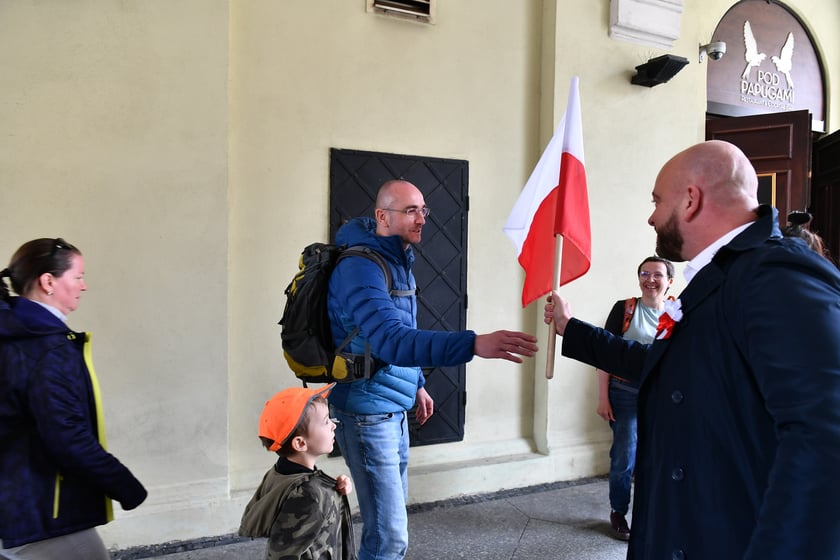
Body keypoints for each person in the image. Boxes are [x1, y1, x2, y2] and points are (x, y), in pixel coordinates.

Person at [544, 140, 840, 559]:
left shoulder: (774, 274)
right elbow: (667, 367)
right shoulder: (722, 276)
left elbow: (826, 435)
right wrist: (571, 329)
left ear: (690, 199)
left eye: (657, 200)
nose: (651, 215)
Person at [326, 179, 539, 560]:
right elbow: (393, 340)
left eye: (423, 209)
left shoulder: (396, 259)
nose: (422, 218)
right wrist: (474, 343)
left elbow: (397, 331)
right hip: (366, 415)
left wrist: (418, 384)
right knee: (387, 538)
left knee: (390, 529)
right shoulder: (360, 267)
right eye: (410, 210)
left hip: (394, 409)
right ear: (382, 216)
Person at [0, 238, 147, 560]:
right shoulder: (48, 347)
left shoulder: (14, 332)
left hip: (15, 502)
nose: (84, 286)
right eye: (78, 276)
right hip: (41, 509)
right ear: (48, 281)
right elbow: (66, 435)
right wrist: (125, 485)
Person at [596, 256, 673, 541]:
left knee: (659, 458)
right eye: (644, 273)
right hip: (625, 394)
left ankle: (651, 514)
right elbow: (603, 354)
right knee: (625, 456)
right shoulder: (625, 309)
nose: (650, 280)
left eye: (657, 275)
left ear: (669, 281)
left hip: (663, 397)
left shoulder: (676, 312)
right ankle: (618, 512)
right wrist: (603, 397)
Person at [239, 383, 356, 560]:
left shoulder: (282, 474)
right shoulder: (308, 494)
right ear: (300, 443)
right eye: (326, 421)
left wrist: (333, 489)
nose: (333, 425)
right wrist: (325, 493)